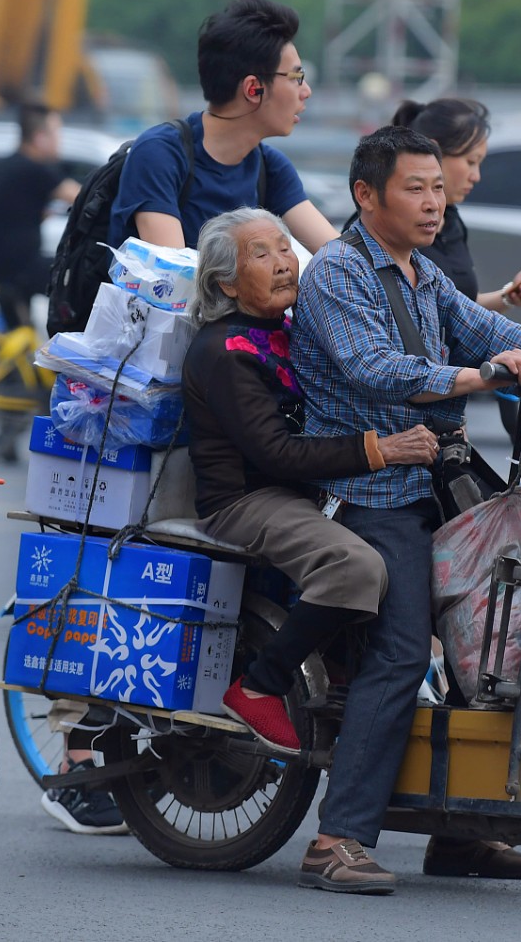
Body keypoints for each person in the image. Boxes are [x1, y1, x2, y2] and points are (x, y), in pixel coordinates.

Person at [290, 126, 521, 894]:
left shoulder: (423, 273)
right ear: (365, 196)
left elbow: (487, 328)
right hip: (370, 494)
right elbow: (374, 370)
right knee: (406, 650)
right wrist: (482, 377)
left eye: (438, 188)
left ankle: (460, 836)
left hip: (436, 481)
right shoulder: (339, 272)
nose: (432, 203)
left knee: (497, 641)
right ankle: (336, 838)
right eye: (416, 188)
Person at [184, 207, 437, 753]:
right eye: (261, 255)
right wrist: (381, 450)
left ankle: (348, 670)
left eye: (284, 248)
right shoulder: (224, 352)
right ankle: (259, 686)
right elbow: (275, 453)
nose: (283, 264)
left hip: (303, 490)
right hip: (248, 499)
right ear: (226, 282)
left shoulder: (287, 328)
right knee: (356, 567)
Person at [107, 0, 338, 253]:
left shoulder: (270, 168)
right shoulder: (160, 154)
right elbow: (172, 279)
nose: (306, 91)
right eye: (297, 77)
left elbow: (340, 260)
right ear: (253, 89)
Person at [389, 98, 521, 312]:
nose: (476, 176)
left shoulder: (452, 220)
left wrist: (508, 297)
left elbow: (461, 308)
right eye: (471, 162)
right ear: (434, 153)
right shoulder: (390, 227)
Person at [0, 101, 80, 330]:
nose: (60, 140)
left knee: (20, 337)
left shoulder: (8, 166)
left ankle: (20, 366)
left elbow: (12, 214)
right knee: (78, 281)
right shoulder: (34, 169)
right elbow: (83, 197)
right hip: (18, 269)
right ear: (40, 137)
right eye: (57, 133)